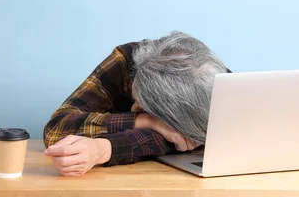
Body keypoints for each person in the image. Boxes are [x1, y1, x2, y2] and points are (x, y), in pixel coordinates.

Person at [43, 31, 229, 176]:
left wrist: (106, 148)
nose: (133, 109)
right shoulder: (124, 61)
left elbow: (187, 140)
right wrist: (145, 120)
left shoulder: (211, 81)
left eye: (142, 107)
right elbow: (56, 130)